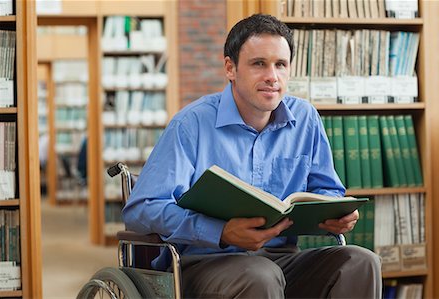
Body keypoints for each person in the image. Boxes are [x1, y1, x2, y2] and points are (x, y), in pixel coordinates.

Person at [123, 14, 381, 298]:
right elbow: (142, 209)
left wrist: (336, 212)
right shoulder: (191, 124)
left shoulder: (306, 118)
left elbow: (327, 189)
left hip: (281, 260)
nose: (272, 76)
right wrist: (219, 231)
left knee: (361, 261)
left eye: (280, 65)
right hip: (204, 263)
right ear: (230, 68)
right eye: (259, 64)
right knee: (261, 276)